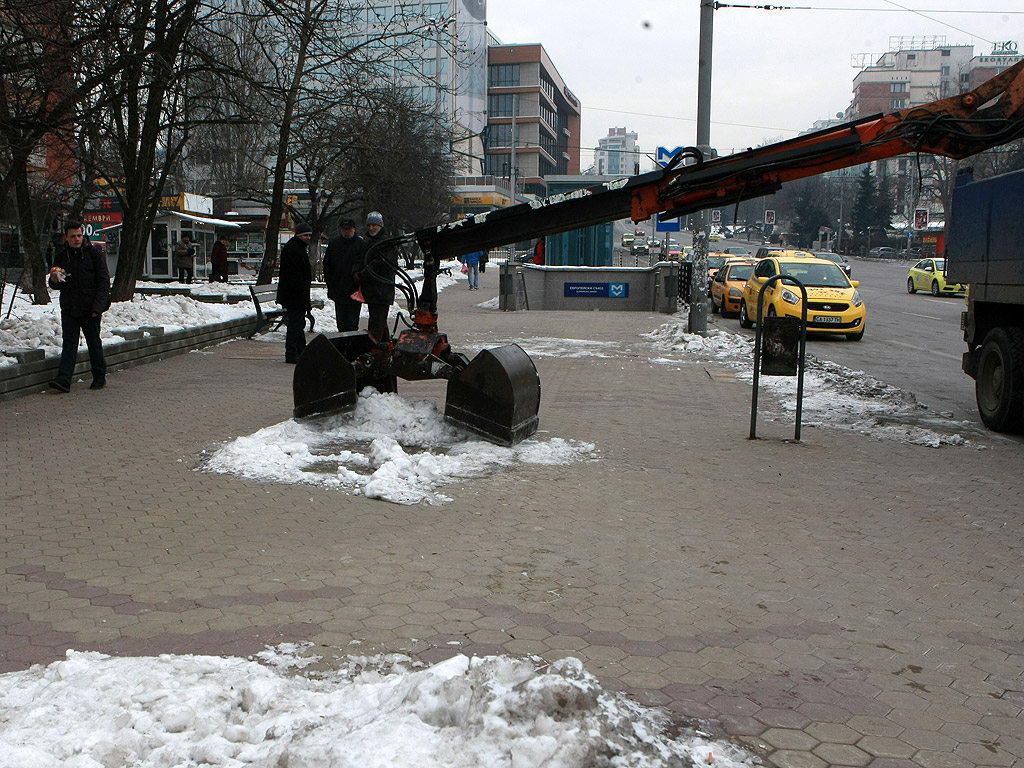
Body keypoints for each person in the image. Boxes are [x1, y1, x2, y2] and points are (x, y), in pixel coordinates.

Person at [48, 221, 111, 392]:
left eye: (79, 235)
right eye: (72, 236)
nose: (76, 239)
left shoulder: (94, 254)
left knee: (94, 343)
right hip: (70, 308)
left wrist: (97, 308)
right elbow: (59, 282)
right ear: (66, 238)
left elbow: (104, 283)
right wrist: (54, 280)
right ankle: (63, 380)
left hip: (90, 309)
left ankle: (99, 376)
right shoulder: (62, 255)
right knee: (69, 343)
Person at [354, 211, 398, 344]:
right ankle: (385, 351)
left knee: (375, 327)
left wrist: (362, 275)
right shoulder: (370, 242)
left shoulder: (385, 243)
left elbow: (379, 265)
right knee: (379, 323)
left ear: (381, 226)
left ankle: (373, 354)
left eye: (375, 225)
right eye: (370, 225)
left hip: (381, 292)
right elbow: (361, 259)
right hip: (375, 292)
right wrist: (356, 271)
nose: (372, 228)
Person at [276, 222, 313, 363]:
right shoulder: (295, 250)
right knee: (296, 324)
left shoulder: (296, 247)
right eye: (305, 235)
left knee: (298, 323)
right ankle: (292, 352)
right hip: (295, 295)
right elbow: (295, 277)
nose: (308, 237)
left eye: (309, 235)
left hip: (295, 295)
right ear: (299, 235)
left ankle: (300, 350)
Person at [322, 217, 364, 332]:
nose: (346, 231)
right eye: (344, 229)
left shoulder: (360, 244)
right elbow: (327, 266)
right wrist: (330, 284)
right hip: (338, 290)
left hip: (354, 291)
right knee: (341, 324)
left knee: (352, 323)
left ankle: (351, 347)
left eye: (349, 229)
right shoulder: (334, 243)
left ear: (354, 229)